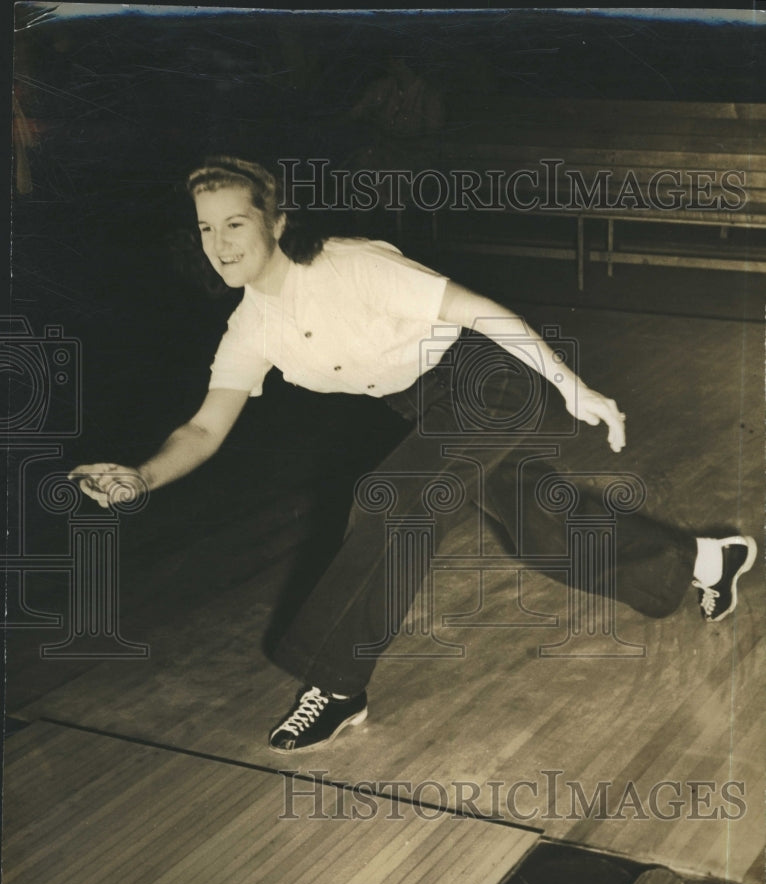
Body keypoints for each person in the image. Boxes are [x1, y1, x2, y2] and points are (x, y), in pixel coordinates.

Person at [69, 156, 757, 754]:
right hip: (426, 403)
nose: (219, 243)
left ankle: (338, 687)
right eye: (205, 229)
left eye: (234, 223)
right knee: (536, 523)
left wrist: (574, 389)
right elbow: (204, 429)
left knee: (392, 499)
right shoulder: (251, 325)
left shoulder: (347, 266)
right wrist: (143, 476)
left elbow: (482, 311)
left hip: (489, 380)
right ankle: (705, 560)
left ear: (275, 222)